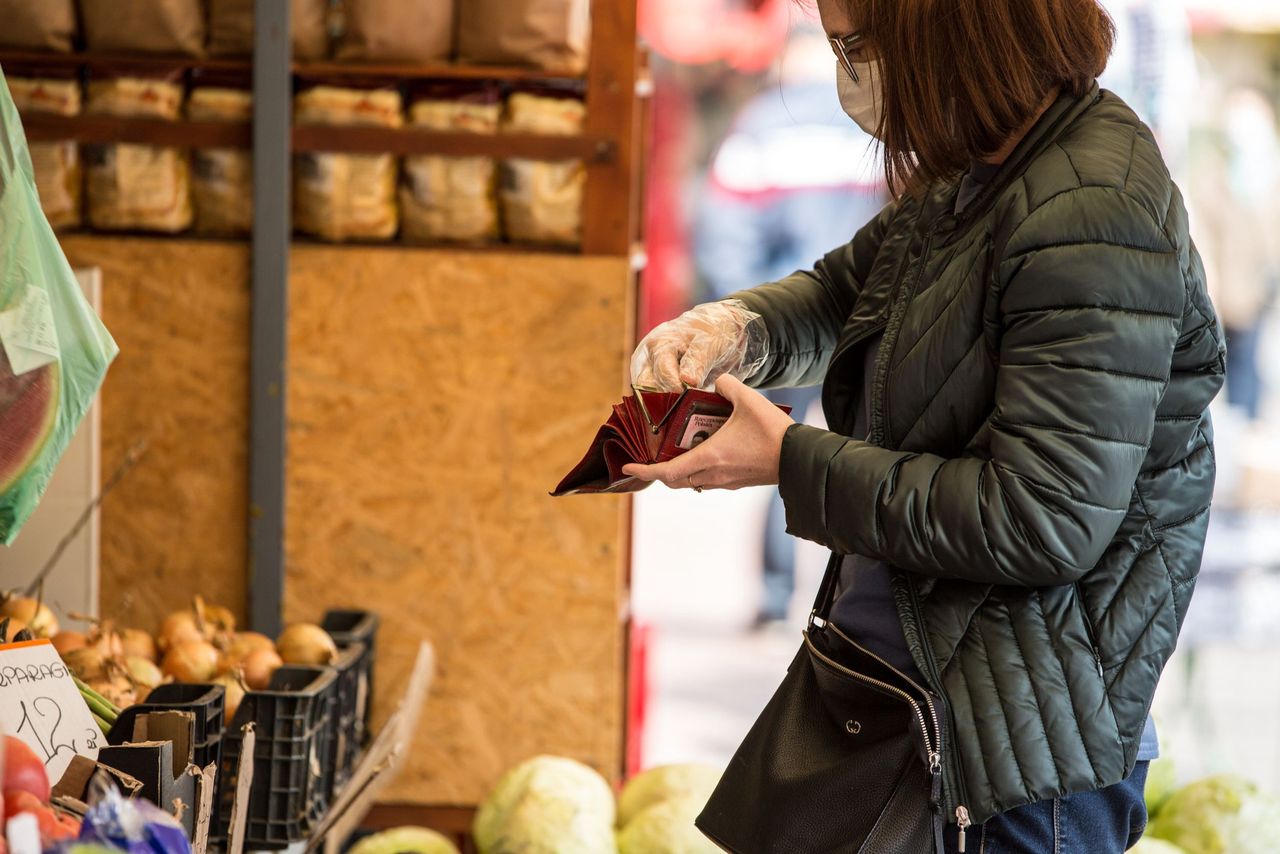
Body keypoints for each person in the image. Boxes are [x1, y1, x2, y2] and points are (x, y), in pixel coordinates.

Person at [625, 0, 1225, 850]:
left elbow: (1040, 518)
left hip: (1010, 768)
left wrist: (791, 460)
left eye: (856, 44)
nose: (847, 72)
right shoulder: (978, 169)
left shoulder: (1092, 209)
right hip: (913, 700)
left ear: (951, 30)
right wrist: (737, 329)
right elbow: (847, 289)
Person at [694, 23, 888, 629]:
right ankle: (850, 603)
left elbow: (722, 228)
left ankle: (778, 598)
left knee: (778, 456)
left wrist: (746, 318)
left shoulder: (761, 127)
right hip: (872, 326)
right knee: (865, 466)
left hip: (787, 329)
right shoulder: (876, 127)